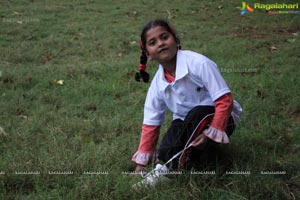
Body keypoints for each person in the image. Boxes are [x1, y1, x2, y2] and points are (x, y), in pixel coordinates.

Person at [132, 19, 242, 174]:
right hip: (186, 121)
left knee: (198, 114)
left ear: (175, 40)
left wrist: (212, 133)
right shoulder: (157, 84)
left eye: (164, 37)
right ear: (148, 54)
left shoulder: (199, 63)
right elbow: (151, 123)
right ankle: (184, 158)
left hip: (220, 117)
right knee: (165, 150)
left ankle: (173, 169)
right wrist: (141, 165)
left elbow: (225, 100)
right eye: (152, 42)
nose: (161, 43)